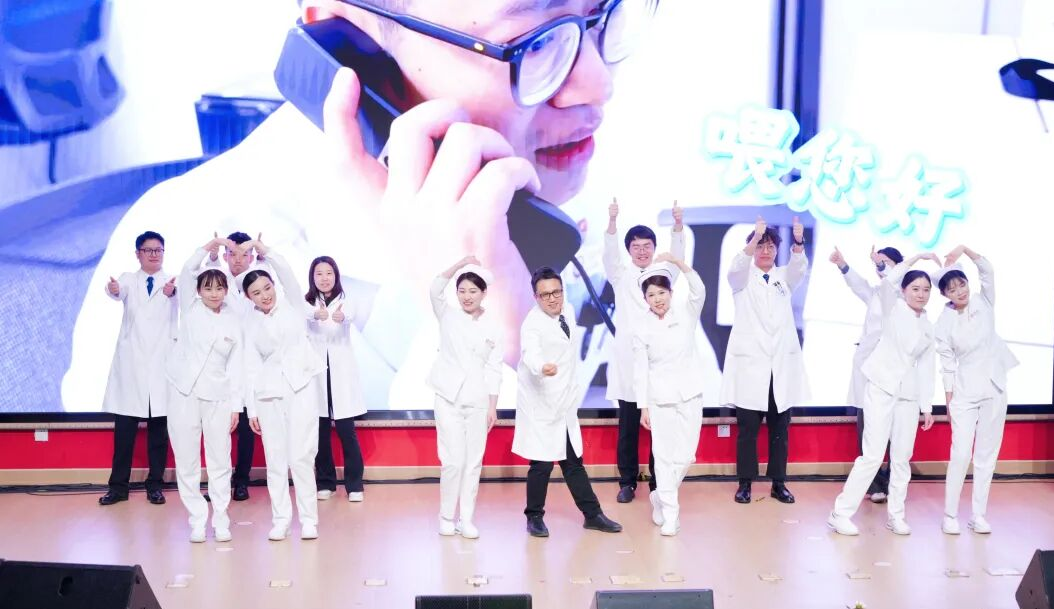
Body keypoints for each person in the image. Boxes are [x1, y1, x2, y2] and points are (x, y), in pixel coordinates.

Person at [64, 0, 659, 414]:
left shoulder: (572, 190)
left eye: (601, 17)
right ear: (354, 48)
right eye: (536, 42)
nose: (597, 84)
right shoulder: (188, 274)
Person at [828, 254, 940, 537]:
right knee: (872, 456)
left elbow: (927, 367)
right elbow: (889, 282)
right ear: (904, 290)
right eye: (915, 288)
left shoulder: (928, 326)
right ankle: (840, 513)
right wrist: (916, 258)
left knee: (901, 459)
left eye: (926, 290)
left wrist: (927, 406)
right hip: (881, 387)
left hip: (908, 396)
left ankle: (896, 516)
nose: (921, 294)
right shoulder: (893, 307)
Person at [512, 267, 623, 538]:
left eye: (556, 292)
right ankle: (534, 517)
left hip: (563, 403)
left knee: (573, 462)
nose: (552, 299)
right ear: (536, 297)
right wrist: (542, 366)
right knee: (541, 464)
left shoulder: (568, 311)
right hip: (541, 403)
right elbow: (530, 353)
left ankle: (592, 515)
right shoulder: (532, 324)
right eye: (545, 295)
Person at [719, 217, 809, 505]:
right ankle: (745, 483)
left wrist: (798, 242)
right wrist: (754, 237)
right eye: (760, 246)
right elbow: (735, 268)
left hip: (779, 367)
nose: (765, 251)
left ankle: (778, 483)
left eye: (770, 246)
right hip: (751, 367)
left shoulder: (784, 278)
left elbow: (798, 268)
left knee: (780, 430)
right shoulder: (742, 278)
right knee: (747, 430)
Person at [604, 197, 685, 504]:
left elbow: (678, 258)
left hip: (658, 365)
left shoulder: (662, 276)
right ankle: (627, 482)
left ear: (654, 247)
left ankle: (657, 482)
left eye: (647, 246)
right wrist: (612, 221)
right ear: (629, 250)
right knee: (628, 428)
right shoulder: (620, 275)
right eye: (635, 246)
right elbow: (609, 254)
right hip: (629, 365)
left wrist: (678, 226)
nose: (641, 251)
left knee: (659, 428)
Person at [243, 237, 325, 541]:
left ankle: (309, 519)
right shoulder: (249, 322)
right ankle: (280, 519)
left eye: (267, 288)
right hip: (268, 393)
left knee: (301, 456)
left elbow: (287, 273)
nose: (264, 296)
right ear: (248, 297)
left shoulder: (292, 304)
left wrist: (265, 251)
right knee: (275, 460)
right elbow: (249, 364)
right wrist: (251, 408)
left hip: (300, 386)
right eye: (256, 293)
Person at [935, 246, 1018, 535]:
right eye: (952, 289)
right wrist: (948, 399)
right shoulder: (943, 322)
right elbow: (947, 364)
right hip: (964, 392)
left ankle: (978, 514)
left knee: (986, 455)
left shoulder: (984, 300)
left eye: (962, 284)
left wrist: (964, 250)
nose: (960, 291)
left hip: (994, 386)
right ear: (945, 294)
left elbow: (987, 270)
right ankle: (950, 515)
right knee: (960, 454)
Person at [167, 237, 245, 542]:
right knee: (186, 460)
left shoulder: (234, 320)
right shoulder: (190, 308)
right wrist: (212, 245)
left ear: (226, 290)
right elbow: (188, 270)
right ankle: (197, 519)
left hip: (218, 397)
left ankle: (221, 518)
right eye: (208, 288)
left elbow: (236, 366)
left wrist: (236, 405)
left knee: (220, 460)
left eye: (219, 288)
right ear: (199, 290)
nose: (214, 293)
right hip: (183, 393)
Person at [98, 231, 178, 506]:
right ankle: (118, 487)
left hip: (161, 367)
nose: (154, 254)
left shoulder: (173, 282)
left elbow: (182, 298)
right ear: (138, 254)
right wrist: (113, 290)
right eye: (148, 250)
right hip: (132, 368)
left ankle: (154, 485)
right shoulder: (129, 279)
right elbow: (116, 290)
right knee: (124, 435)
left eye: (158, 250)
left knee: (158, 435)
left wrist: (173, 293)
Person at [429, 256, 503, 539]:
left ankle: (466, 519)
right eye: (462, 291)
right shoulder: (447, 315)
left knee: (473, 462)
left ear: (484, 293)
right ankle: (446, 516)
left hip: (478, 400)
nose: (467, 296)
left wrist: (492, 406)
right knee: (452, 462)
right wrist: (460, 264)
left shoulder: (493, 325)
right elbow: (435, 288)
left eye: (473, 291)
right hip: (448, 398)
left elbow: (494, 367)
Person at [632, 254, 706, 536]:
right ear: (645, 299)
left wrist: (679, 263)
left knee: (686, 456)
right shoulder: (641, 325)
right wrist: (643, 406)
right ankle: (671, 515)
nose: (657, 299)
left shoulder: (686, 313)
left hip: (690, 393)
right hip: (659, 398)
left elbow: (699, 289)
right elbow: (640, 369)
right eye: (651, 295)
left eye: (661, 292)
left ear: (671, 292)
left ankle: (660, 497)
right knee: (662, 457)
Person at [829, 245, 906, 504]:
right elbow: (858, 284)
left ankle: (892, 480)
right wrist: (842, 264)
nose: (879, 267)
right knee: (867, 429)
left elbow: (892, 280)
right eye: (877, 264)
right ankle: (872, 484)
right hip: (867, 369)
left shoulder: (903, 295)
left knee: (894, 430)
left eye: (885, 263)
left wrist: (882, 265)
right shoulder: (875, 294)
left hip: (892, 372)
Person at [205, 231, 272, 502]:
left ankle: (242, 480)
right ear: (225, 255)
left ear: (252, 257)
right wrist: (210, 256)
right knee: (217, 429)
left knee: (246, 428)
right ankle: (218, 484)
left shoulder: (257, 285)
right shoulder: (217, 285)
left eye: (244, 254)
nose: (238, 260)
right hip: (221, 366)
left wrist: (264, 254)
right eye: (232, 254)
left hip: (251, 367)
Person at [305, 255, 368, 503]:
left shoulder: (346, 301)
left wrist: (343, 318)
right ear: (312, 277)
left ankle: (354, 484)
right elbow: (301, 317)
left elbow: (350, 315)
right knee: (320, 432)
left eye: (329, 273)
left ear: (336, 275)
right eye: (319, 274)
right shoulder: (307, 303)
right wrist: (314, 315)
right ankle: (325, 482)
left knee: (345, 431)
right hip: (317, 374)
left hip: (340, 374)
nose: (324, 278)